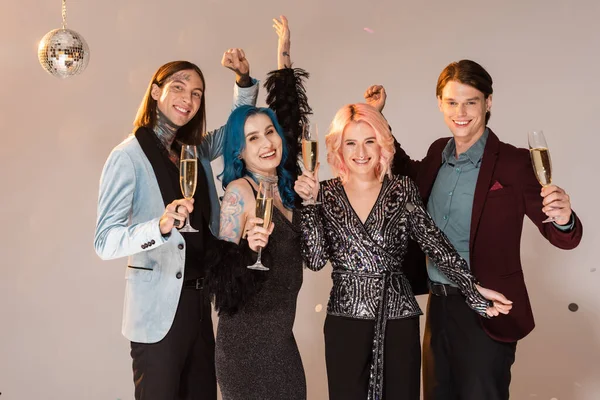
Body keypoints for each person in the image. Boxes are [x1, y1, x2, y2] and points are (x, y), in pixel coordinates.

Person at [364, 59, 583, 400]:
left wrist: (564, 217)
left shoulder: (513, 163)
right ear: (440, 103)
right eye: (452, 102)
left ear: (488, 102)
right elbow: (403, 168)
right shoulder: (438, 153)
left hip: (487, 311)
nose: (460, 111)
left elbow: (563, 236)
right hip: (438, 308)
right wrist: (376, 117)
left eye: (471, 101)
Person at [294, 103, 512, 400]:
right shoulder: (324, 193)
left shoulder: (402, 189)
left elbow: (434, 243)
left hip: (397, 318)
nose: (361, 152)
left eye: (369, 141)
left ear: (382, 143)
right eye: (351, 143)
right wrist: (308, 206)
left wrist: (473, 289)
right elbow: (316, 260)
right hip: (345, 321)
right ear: (339, 148)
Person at [94, 50, 259, 400]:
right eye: (179, 88)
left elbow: (235, 128)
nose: (188, 99)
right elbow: (105, 241)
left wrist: (243, 82)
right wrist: (160, 226)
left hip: (200, 306)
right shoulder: (127, 157)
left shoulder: (193, 150)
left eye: (197, 93)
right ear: (156, 92)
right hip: (157, 313)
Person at [203, 16, 311, 400]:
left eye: (269, 133)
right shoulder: (239, 191)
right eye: (253, 138)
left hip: (281, 342)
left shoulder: (288, 187)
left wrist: (284, 56)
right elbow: (220, 282)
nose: (266, 142)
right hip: (244, 347)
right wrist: (247, 248)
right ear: (239, 150)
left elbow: (291, 121)